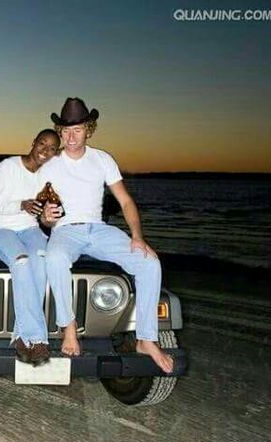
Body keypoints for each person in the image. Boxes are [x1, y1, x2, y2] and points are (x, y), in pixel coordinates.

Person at [40, 98, 174, 374]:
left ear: (88, 129)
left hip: (98, 229)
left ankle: (146, 339)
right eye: (65, 130)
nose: (71, 136)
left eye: (77, 129)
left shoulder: (102, 159)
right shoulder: (50, 163)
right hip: (66, 230)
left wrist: (137, 236)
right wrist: (45, 217)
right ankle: (68, 329)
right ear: (59, 131)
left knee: (149, 262)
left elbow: (125, 201)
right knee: (54, 257)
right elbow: (36, 205)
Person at [0, 129, 60, 365]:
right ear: (33, 142)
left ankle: (21, 337)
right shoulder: (8, 167)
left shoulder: (47, 175)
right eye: (42, 144)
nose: (45, 151)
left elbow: (47, 215)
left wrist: (49, 216)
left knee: (42, 257)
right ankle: (37, 340)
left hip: (29, 228)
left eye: (52, 148)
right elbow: (1, 206)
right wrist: (22, 204)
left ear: (56, 153)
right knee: (22, 261)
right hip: (1, 227)